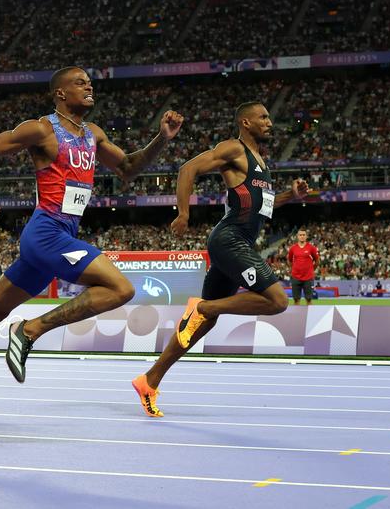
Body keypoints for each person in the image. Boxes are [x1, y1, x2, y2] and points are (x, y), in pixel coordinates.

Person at [0, 67, 184, 427]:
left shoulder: (93, 135)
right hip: (46, 234)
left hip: (59, 236)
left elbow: (129, 167)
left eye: (90, 82)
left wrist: (162, 138)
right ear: (59, 94)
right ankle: (30, 330)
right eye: (79, 83)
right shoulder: (42, 129)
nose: (89, 86)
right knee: (121, 288)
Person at [132, 101, 308, 418]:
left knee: (202, 325)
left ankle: (150, 379)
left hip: (236, 242)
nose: (270, 122)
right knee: (277, 301)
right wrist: (184, 213)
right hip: (229, 240)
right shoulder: (233, 149)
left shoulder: (261, 165)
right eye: (263, 117)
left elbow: (262, 207)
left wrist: (290, 197)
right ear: (246, 122)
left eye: (270, 116)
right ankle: (204, 306)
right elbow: (188, 169)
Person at [287, 228, 320, 305]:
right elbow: (289, 260)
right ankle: (297, 317)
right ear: (297, 236)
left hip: (308, 278)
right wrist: (294, 268)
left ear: (306, 236)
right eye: (300, 235)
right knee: (296, 300)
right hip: (296, 277)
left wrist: (312, 269)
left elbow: (317, 260)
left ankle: (311, 317)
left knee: (309, 300)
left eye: (303, 235)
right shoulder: (293, 248)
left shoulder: (311, 248)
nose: (302, 236)